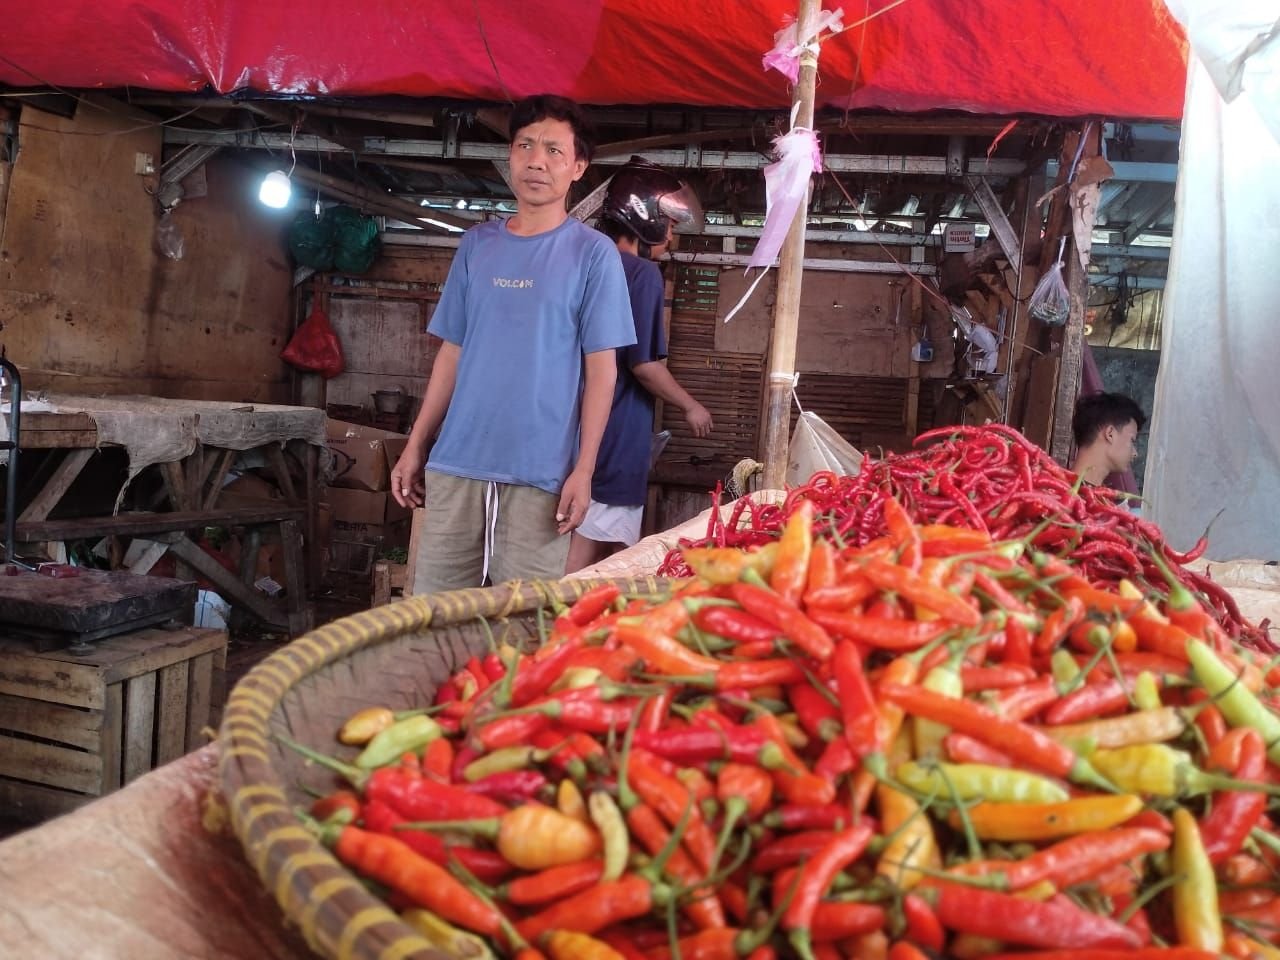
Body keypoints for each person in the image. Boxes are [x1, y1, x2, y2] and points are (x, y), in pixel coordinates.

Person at [389, 95, 636, 594]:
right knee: (433, 618)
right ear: (510, 156)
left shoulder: (593, 254)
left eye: (553, 151)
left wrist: (584, 470)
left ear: (578, 168)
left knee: (520, 628)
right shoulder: (477, 245)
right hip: (456, 463)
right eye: (525, 145)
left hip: (541, 474)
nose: (536, 160)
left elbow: (602, 372)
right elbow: (451, 352)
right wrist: (416, 443)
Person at [565, 159, 714, 573]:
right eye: (668, 224)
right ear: (643, 218)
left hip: (569, 431)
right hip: (614, 433)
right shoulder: (641, 274)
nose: (671, 235)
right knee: (601, 565)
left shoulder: (582, 264)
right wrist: (691, 406)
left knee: (574, 549)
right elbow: (643, 365)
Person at [1070, 391, 1146, 488]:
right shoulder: (1056, 497)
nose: (1135, 453)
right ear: (1110, 434)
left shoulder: (1053, 491)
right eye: (1132, 440)